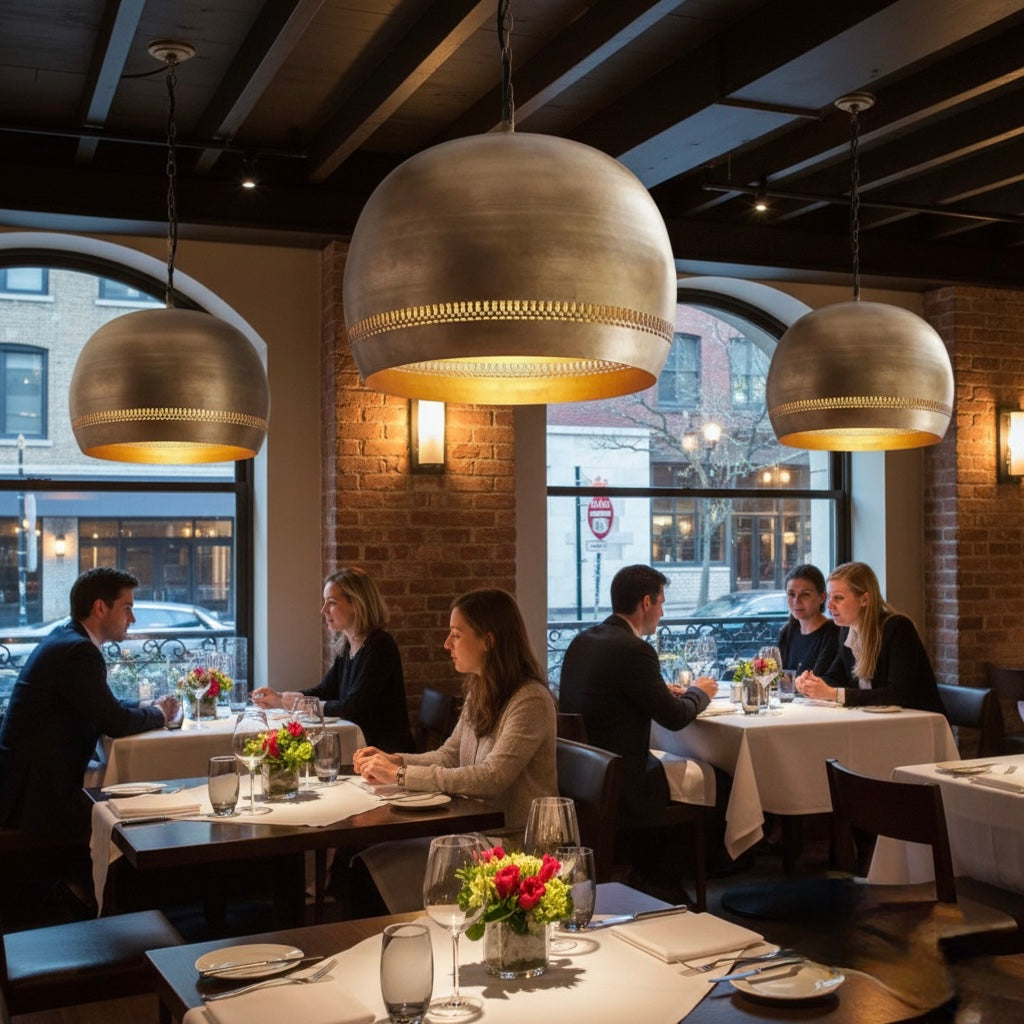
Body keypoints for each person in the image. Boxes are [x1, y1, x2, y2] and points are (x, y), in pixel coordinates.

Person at [351, 588, 557, 912]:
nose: (447, 644)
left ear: (488, 641)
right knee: (357, 864)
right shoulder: (482, 689)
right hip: (473, 833)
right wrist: (396, 759)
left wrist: (402, 775)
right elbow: (450, 754)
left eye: (456, 635)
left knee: (363, 876)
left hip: (511, 848)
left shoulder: (528, 699)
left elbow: (490, 779)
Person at [0, 568, 179, 838]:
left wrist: (146, 704)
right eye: (127, 608)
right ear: (100, 608)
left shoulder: (68, 638)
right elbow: (115, 722)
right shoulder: (78, 651)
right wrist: (160, 714)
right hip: (34, 797)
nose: (133, 618)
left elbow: (100, 703)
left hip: (28, 781)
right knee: (139, 815)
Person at [558, 564, 717, 826]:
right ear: (646, 602)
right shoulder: (635, 650)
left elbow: (612, 692)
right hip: (624, 779)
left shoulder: (583, 641)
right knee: (717, 776)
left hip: (580, 774)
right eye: (661, 603)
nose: (662, 613)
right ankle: (709, 864)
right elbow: (676, 718)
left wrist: (657, 689)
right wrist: (701, 692)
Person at [252, 567, 415, 751]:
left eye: (331, 603)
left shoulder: (380, 646)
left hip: (384, 752)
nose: (323, 611)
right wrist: (280, 699)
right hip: (360, 748)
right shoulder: (348, 644)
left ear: (357, 603)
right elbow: (326, 690)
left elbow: (353, 707)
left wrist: (302, 705)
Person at [796, 561, 943, 711]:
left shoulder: (897, 628)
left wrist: (833, 694)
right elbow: (835, 677)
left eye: (838, 598)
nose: (829, 605)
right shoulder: (847, 631)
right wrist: (812, 684)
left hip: (917, 722)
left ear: (864, 600)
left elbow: (897, 694)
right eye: (829, 598)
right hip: (875, 721)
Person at [777, 564, 840, 676]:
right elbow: (777, 675)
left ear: (822, 597)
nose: (796, 601)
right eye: (791, 594)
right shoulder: (787, 631)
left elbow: (820, 679)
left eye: (805, 594)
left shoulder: (834, 633)